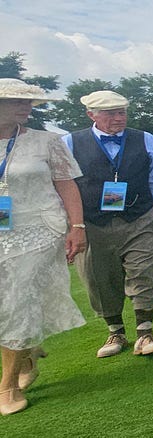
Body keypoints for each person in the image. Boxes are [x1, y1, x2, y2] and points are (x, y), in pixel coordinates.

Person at [0, 79, 87, 415]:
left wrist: (77, 228)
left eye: (29, 102)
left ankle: (7, 386)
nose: (26, 107)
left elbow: (67, 186)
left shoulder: (46, 142)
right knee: (6, 302)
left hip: (40, 229)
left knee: (17, 300)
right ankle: (26, 354)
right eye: (17, 101)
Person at [61, 89, 153, 358]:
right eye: (110, 113)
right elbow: (64, 185)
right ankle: (116, 331)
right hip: (93, 222)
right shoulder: (69, 143)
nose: (118, 118)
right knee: (99, 277)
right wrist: (72, 225)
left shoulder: (145, 139)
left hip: (140, 217)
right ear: (91, 115)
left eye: (122, 112)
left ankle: (145, 333)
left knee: (143, 270)